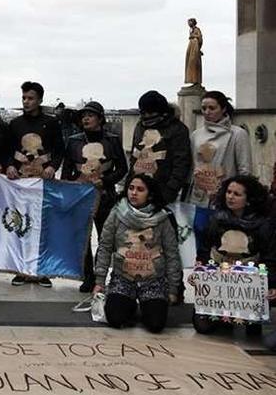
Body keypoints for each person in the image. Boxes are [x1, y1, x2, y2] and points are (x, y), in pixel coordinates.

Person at [93, 173, 181, 333]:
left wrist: (173, 289)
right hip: (123, 278)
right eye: (131, 188)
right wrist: (99, 281)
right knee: (116, 319)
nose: (134, 193)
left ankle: (147, 303)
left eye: (140, 189)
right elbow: (105, 247)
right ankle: (130, 302)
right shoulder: (116, 213)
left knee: (156, 325)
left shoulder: (162, 218)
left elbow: (172, 253)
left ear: (150, 194)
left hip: (153, 280)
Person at [194, 175, 276, 336]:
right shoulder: (215, 220)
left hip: (248, 286)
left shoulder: (263, 225)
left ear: (249, 199)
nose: (230, 197)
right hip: (219, 281)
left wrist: (271, 284)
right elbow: (204, 250)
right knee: (203, 327)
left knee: (252, 332)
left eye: (237, 194)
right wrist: (200, 270)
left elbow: (270, 257)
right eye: (228, 192)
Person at [61, 101, 128, 293]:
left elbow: (122, 168)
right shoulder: (74, 141)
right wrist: (71, 185)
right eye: (83, 116)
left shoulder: (112, 140)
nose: (85, 119)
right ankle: (88, 276)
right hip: (80, 196)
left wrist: (106, 181)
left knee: (106, 238)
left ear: (100, 118)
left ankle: (100, 275)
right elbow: (67, 169)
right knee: (83, 238)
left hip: (105, 196)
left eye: (90, 115)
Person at [6, 81, 64, 288]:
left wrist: (53, 167)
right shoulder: (15, 124)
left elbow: (60, 150)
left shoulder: (51, 123)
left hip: (43, 183)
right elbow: (7, 151)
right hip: (21, 184)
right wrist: (9, 166)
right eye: (24, 98)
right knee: (22, 224)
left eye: (30, 98)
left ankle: (43, 270)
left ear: (39, 99)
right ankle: (21, 269)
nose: (26, 101)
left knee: (42, 225)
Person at [188, 91, 252, 243]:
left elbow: (245, 169)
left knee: (222, 241)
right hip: (199, 197)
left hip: (226, 198)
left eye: (212, 108)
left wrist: (239, 196)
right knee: (199, 237)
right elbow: (191, 166)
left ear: (223, 108)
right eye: (204, 108)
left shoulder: (238, 134)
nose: (207, 112)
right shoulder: (196, 135)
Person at [129, 90, 191, 205]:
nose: (146, 117)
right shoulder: (140, 126)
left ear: (162, 112)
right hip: (137, 189)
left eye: (150, 113)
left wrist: (169, 191)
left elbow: (181, 163)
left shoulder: (177, 129)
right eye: (143, 113)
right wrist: (128, 186)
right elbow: (134, 158)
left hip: (162, 190)